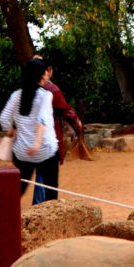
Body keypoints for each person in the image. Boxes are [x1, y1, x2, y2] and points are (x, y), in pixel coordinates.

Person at [0, 57, 59, 203]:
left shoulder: (16, 95)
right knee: (51, 189)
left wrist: (10, 130)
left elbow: (4, 118)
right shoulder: (46, 95)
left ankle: (4, 218)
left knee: (19, 188)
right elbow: (42, 119)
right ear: (41, 75)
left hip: (22, 152)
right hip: (45, 150)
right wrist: (37, 143)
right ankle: (50, 222)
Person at [32, 60, 82, 205]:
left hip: (32, 137)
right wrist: (76, 123)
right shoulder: (51, 89)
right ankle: (44, 207)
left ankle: (39, 205)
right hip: (48, 138)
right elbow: (65, 109)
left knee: (41, 173)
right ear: (49, 70)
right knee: (47, 176)